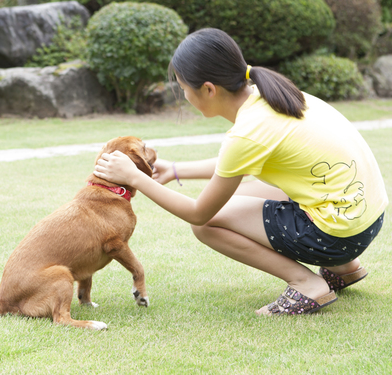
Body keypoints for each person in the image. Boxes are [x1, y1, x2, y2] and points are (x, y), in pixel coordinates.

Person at [93, 28, 388, 316]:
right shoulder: (274, 95)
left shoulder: (248, 131)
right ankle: (344, 269)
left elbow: (199, 213)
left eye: (183, 88)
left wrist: (135, 178)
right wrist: (175, 169)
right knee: (240, 196)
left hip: (338, 235)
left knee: (207, 224)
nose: (184, 97)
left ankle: (307, 285)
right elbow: (236, 163)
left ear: (208, 89)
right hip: (366, 219)